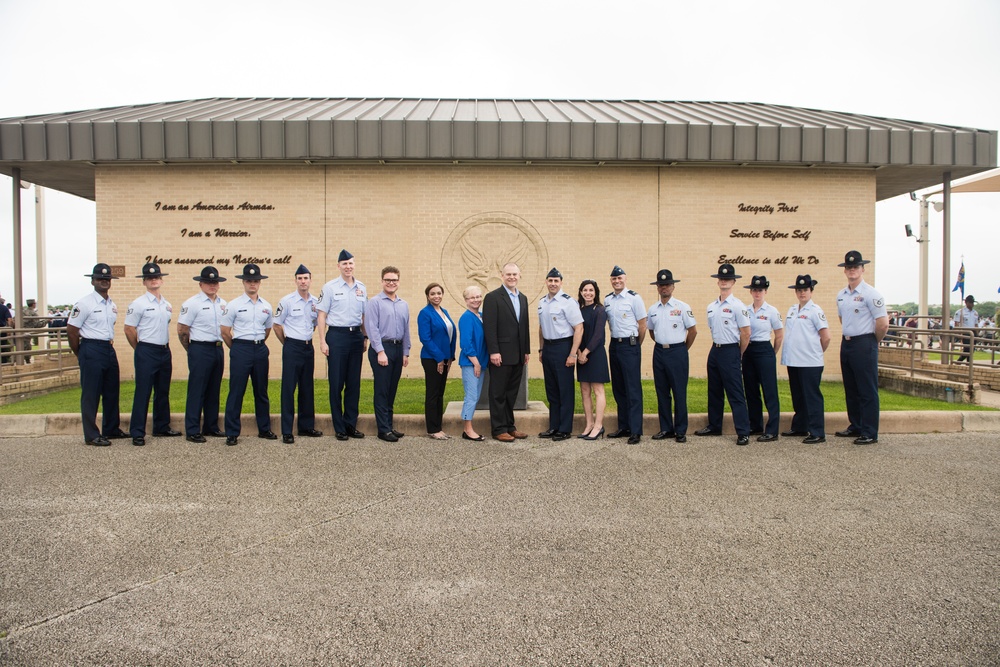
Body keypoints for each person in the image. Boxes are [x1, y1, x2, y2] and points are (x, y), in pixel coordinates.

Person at [66, 263, 128, 447]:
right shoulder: (84, 303)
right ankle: (92, 434)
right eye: (100, 278)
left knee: (111, 391)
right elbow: (72, 330)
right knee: (91, 394)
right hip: (91, 348)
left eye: (107, 279)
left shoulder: (112, 304)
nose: (104, 281)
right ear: (92, 281)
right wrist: (81, 352)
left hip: (108, 349)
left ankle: (111, 429)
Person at [835, 250, 889, 445]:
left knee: (867, 389)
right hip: (847, 343)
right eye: (848, 267)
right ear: (845, 271)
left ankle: (869, 431)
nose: (852, 270)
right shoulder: (841, 295)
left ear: (863, 269)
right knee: (851, 388)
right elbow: (843, 318)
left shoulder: (871, 294)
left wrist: (872, 341)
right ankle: (856, 425)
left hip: (865, 343)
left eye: (855, 267)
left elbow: (882, 324)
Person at [695, 263, 752, 446]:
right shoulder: (712, 306)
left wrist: (738, 353)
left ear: (734, 281)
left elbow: (746, 333)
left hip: (730, 350)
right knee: (714, 391)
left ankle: (743, 431)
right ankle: (714, 425)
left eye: (727, 279)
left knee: (735, 392)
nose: (724, 281)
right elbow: (712, 328)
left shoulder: (738, 306)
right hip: (715, 350)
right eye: (721, 278)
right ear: (717, 281)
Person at [124, 262, 180, 446]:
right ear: (144, 282)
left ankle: (161, 426)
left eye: (156, 277)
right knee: (143, 391)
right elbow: (129, 329)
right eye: (149, 278)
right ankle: (137, 432)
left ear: (161, 280)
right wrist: (140, 348)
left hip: (164, 350)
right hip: (146, 350)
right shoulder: (138, 304)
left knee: (162, 391)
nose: (153, 280)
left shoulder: (167, 305)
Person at [220, 263, 276, 446]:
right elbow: (225, 331)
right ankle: (232, 432)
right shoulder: (234, 305)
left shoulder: (266, 306)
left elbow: (267, 330)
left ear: (259, 283)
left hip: (259, 349)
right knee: (236, 391)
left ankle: (264, 428)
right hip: (240, 348)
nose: (253, 284)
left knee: (261, 391)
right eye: (249, 281)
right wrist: (236, 348)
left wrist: (257, 344)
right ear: (243, 282)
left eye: (256, 281)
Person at [318, 249, 367, 441]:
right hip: (336, 337)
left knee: (353, 384)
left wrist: (365, 337)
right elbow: (321, 315)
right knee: (336, 383)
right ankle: (339, 427)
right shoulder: (329, 287)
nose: (348, 267)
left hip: (355, 337)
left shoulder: (361, 288)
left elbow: (363, 316)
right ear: (338, 266)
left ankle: (350, 425)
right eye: (344, 264)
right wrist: (322, 341)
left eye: (351, 263)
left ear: (354, 265)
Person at [645, 269, 697, 444]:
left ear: (673, 286)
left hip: (678, 352)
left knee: (679, 392)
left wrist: (682, 349)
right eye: (661, 285)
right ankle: (666, 428)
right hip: (659, 352)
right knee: (662, 392)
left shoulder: (682, 307)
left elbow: (693, 331)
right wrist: (661, 343)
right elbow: (651, 331)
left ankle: (680, 430)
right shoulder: (653, 309)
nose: (664, 287)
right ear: (658, 288)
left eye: (667, 284)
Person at [273, 264, 323, 444]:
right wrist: (287, 343)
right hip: (292, 346)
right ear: (295, 281)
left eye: (306, 278)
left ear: (310, 280)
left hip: (308, 347)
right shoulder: (287, 301)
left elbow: (317, 323)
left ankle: (306, 426)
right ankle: (287, 430)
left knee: (307, 387)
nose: (303, 281)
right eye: (300, 278)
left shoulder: (316, 302)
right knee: (288, 388)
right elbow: (277, 325)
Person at [177, 266, 228, 443]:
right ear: (201, 284)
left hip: (217, 348)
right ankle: (192, 430)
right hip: (199, 348)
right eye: (208, 282)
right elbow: (182, 330)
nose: (212, 285)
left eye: (215, 282)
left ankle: (211, 426)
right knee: (197, 390)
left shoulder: (223, 304)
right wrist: (191, 350)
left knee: (214, 389)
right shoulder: (192, 303)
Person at [482, 262, 530, 442]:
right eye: (508, 274)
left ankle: (510, 426)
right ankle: (498, 428)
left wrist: (526, 350)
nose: (512, 277)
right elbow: (490, 327)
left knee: (511, 393)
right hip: (500, 354)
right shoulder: (493, 297)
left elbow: (524, 326)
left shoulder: (523, 298)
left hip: (518, 355)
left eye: (515, 274)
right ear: (502, 276)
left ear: (519, 275)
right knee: (498, 393)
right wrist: (494, 351)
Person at [780, 275, 831, 444]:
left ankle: (817, 432)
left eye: (805, 290)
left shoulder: (815, 311)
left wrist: (815, 352)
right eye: (799, 290)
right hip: (794, 360)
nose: (802, 293)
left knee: (812, 397)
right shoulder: (793, 309)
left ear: (811, 291)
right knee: (798, 396)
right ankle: (800, 427)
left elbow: (826, 337)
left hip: (810, 362)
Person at [537, 268, 584, 441]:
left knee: (565, 390)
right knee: (552, 390)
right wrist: (541, 349)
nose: (553, 284)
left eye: (556, 281)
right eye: (550, 280)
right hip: (548, 348)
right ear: (546, 282)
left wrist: (573, 354)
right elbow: (541, 328)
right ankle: (554, 426)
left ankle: (565, 429)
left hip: (564, 346)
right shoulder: (542, 302)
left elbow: (579, 328)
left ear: (561, 283)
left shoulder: (568, 302)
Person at [365, 266, 410, 442]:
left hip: (398, 349)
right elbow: (371, 328)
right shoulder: (375, 302)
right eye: (388, 280)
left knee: (392, 389)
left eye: (394, 280)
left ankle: (389, 425)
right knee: (382, 390)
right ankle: (383, 430)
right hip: (382, 348)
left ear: (398, 282)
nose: (391, 283)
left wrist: (405, 352)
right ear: (382, 281)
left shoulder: (403, 304)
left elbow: (406, 330)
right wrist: (380, 352)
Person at [605, 265, 646, 445]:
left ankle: (636, 430)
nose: (617, 281)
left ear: (625, 279)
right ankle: (624, 426)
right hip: (614, 345)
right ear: (611, 281)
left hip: (630, 346)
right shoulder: (608, 300)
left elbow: (642, 325)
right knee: (619, 388)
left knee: (633, 389)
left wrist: (636, 345)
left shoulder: (634, 298)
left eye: (619, 278)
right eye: (614, 279)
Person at [741, 276, 784, 442]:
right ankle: (755, 425)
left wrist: (771, 353)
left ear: (765, 291)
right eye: (754, 290)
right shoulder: (745, 310)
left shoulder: (772, 311)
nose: (757, 292)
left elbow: (779, 336)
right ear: (751, 292)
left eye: (760, 290)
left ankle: (772, 430)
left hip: (764, 349)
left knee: (769, 391)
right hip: (749, 350)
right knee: (751, 390)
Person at [418, 282, 457, 440]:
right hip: (431, 358)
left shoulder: (444, 311)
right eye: (433, 294)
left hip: (445, 358)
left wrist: (450, 357)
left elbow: (451, 335)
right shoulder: (425, 313)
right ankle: (432, 429)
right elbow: (425, 338)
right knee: (433, 394)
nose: (436, 296)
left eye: (439, 293)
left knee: (440, 394)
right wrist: (439, 358)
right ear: (427, 296)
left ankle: (438, 427)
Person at [575, 279, 610, 440]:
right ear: (581, 292)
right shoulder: (578, 309)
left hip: (595, 354)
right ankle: (589, 424)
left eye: (591, 290)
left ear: (595, 293)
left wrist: (586, 352)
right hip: (581, 354)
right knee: (584, 390)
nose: (588, 293)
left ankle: (598, 425)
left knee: (598, 390)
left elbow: (598, 335)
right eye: (585, 290)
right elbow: (576, 331)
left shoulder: (600, 310)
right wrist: (579, 351)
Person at [458, 286, 488, 441]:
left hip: (481, 363)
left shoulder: (481, 316)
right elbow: (466, 343)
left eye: (478, 296)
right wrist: (476, 363)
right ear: (466, 300)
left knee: (474, 397)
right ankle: (467, 429)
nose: (476, 300)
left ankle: (467, 428)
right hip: (471, 363)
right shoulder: (466, 318)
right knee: (471, 396)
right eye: (472, 298)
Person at [953, 295, 979, 363]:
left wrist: (977, 334)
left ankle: (968, 363)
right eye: (970, 302)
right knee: (967, 349)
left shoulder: (975, 313)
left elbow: (976, 324)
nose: (972, 304)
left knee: (972, 349)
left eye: (973, 303)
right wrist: (958, 333)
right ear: (966, 302)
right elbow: (956, 323)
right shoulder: (960, 312)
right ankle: (959, 361)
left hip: (973, 332)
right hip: (965, 332)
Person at [0, 294, 12, 364]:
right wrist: (9, 329)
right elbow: (9, 320)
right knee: (3, 347)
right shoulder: (4, 308)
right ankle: (3, 362)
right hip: (2, 330)